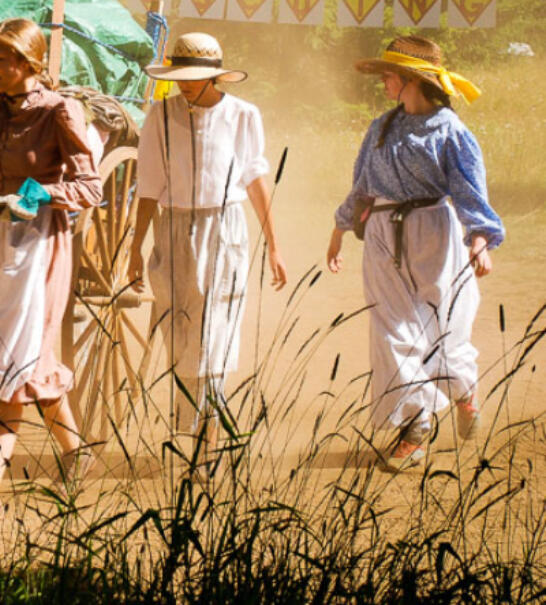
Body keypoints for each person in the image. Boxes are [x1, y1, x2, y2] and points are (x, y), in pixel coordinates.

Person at [0, 18, 101, 523]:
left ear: (30, 62)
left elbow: (91, 187)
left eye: (1, 60)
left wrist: (41, 192)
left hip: (37, 241)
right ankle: (77, 453)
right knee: (13, 353)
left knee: (11, 359)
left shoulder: (60, 112)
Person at [327, 35, 502, 472]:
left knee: (441, 329)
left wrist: (479, 239)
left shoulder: (452, 131)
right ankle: (415, 426)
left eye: (390, 75)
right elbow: (362, 185)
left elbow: (469, 192)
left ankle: (463, 390)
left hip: (433, 231)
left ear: (410, 80)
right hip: (384, 232)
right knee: (390, 328)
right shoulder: (380, 128)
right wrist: (340, 226)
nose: (384, 81)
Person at [126, 33, 287, 471]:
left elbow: (255, 179)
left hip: (224, 228)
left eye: (194, 78)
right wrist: (136, 248)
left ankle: (208, 436)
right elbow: (149, 186)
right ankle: (190, 428)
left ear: (216, 75)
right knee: (179, 333)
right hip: (174, 228)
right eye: (179, 77)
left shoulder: (242, 116)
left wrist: (274, 245)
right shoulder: (159, 116)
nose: (185, 85)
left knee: (214, 333)